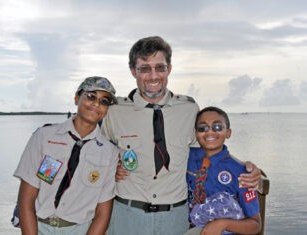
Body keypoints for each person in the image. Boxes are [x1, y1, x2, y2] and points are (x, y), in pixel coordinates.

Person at [101, 36, 261, 235]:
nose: (153, 76)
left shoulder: (188, 109)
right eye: (144, 68)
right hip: (127, 215)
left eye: (160, 67)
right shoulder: (116, 112)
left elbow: (209, 148)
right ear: (133, 71)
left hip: (175, 218)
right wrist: (110, 167)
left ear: (169, 69)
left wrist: (247, 167)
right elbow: (96, 150)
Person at [13, 76, 119, 235]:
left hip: (80, 230)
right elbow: (26, 200)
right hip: (38, 227)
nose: (97, 104)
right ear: (77, 98)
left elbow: (103, 213)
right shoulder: (44, 137)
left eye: (104, 101)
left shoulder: (110, 152)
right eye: (91, 96)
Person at [185, 106, 261, 235]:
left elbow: (255, 225)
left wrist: (223, 223)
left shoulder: (241, 173)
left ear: (228, 133)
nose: (210, 132)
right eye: (202, 128)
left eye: (217, 127)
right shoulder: (186, 157)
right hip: (190, 226)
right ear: (196, 134)